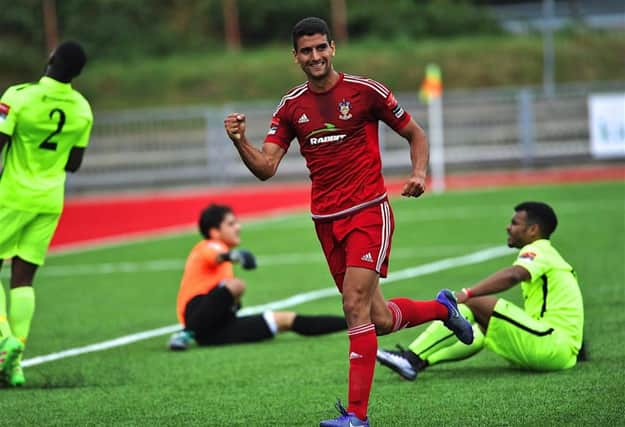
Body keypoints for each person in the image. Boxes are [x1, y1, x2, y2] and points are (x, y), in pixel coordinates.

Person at [224, 17, 473, 427]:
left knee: (353, 304)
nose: (315, 56)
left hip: (369, 211)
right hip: (325, 220)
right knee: (379, 319)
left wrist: (418, 173)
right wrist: (240, 141)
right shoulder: (290, 107)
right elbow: (266, 166)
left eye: (321, 47)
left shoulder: (365, 91)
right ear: (296, 56)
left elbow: (416, 133)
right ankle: (442, 308)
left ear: (333, 48)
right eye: (306, 50)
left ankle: (356, 417)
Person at [377, 201, 585, 381]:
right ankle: (419, 361)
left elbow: (513, 275)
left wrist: (468, 293)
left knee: (472, 303)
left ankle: (410, 358)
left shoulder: (540, 249)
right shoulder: (550, 254)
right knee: (475, 332)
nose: (508, 227)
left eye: (514, 223)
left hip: (552, 345)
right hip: (558, 351)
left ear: (533, 230)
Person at [0, 41, 93, 387]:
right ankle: (15, 365)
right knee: (23, 280)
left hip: (11, 194)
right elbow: (75, 163)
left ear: (51, 58)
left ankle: (2, 340)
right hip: (50, 198)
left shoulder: (19, 96)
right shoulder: (82, 108)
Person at [167, 203, 348, 350]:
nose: (238, 227)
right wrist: (236, 256)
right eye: (231, 224)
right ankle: (185, 333)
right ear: (214, 231)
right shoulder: (208, 246)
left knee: (284, 320)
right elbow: (217, 256)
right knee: (236, 285)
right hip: (195, 314)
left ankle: (354, 324)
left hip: (214, 330)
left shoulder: (221, 256)